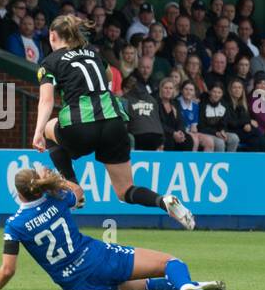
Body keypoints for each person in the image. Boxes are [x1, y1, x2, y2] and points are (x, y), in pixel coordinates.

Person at [32, 14, 194, 227]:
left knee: (48, 129)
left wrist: (37, 132)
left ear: (53, 36)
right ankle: (163, 201)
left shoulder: (49, 62)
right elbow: (109, 76)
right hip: (114, 125)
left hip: (80, 126)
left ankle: (73, 186)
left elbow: (46, 101)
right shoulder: (92, 53)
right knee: (125, 190)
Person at [0, 167, 224, 290]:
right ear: (39, 186)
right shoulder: (58, 199)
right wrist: (56, 179)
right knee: (171, 262)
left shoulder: (15, 224)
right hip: (96, 257)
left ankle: (192, 285)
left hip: (74, 282)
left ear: (18, 193)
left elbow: (8, 269)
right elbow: (78, 191)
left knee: (141, 286)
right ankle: (185, 286)